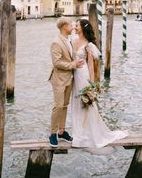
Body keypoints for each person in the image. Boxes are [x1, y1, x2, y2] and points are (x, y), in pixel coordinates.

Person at [71, 18, 128, 148]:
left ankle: (92, 134)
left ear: (83, 28)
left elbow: (91, 66)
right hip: (74, 75)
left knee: (86, 104)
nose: (75, 27)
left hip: (83, 75)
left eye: (77, 25)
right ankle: (79, 134)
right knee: (76, 104)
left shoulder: (89, 45)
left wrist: (92, 84)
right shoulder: (73, 40)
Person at [49, 17, 84, 148]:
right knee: (58, 106)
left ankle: (61, 131)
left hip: (69, 78)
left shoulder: (69, 40)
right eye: (71, 24)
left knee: (64, 106)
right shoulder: (56, 43)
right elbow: (57, 63)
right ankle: (52, 134)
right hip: (59, 79)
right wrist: (73, 64)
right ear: (64, 27)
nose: (73, 26)